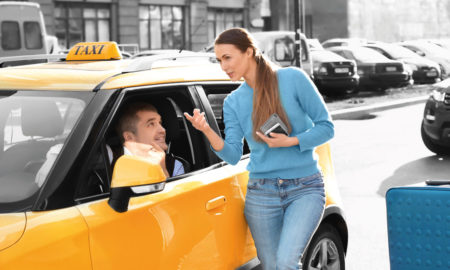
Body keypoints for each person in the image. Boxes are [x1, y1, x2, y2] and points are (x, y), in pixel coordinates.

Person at [184, 28, 334, 270]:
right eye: (219, 60)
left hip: (305, 188)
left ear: (249, 52)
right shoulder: (233, 101)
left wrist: (292, 141)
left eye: (227, 58)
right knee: (273, 266)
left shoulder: (293, 79)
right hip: (262, 193)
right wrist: (207, 130)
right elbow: (232, 155)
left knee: (286, 263)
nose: (223, 66)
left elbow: (327, 127)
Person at [114, 102, 185, 178]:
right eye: (151, 124)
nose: (163, 130)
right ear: (129, 137)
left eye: (160, 123)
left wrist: (163, 170)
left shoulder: (174, 166)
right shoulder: (111, 165)